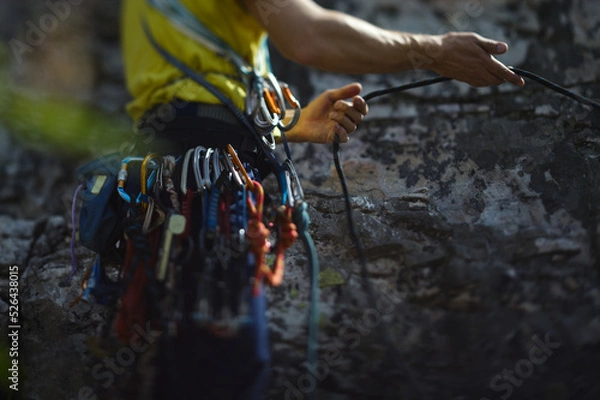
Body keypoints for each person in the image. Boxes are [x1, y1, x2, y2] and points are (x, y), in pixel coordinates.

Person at [119, 0, 524, 398]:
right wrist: (435, 52)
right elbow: (307, 36)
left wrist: (290, 124)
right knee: (230, 367)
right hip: (209, 193)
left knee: (183, 363)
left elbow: (185, 103)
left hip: (159, 186)